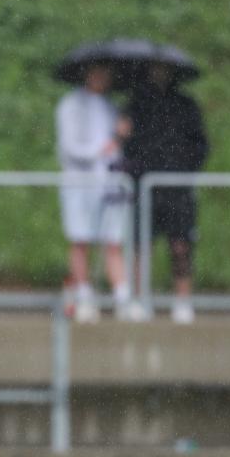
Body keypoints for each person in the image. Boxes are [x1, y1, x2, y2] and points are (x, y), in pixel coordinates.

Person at [124, 62, 209, 324]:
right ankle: (139, 299)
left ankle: (182, 301)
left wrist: (183, 169)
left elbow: (200, 145)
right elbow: (126, 146)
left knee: (181, 245)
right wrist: (137, 168)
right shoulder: (135, 105)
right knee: (141, 245)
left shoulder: (186, 105)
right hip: (144, 187)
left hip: (178, 189)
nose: (159, 74)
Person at [55, 62, 136, 323]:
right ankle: (84, 295)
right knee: (81, 239)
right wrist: (101, 149)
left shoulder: (112, 107)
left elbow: (115, 148)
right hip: (80, 183)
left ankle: (122, 296)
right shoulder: (70, 105)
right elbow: (70, 147)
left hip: (109, 183)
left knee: (113, 240)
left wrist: (120, 137)